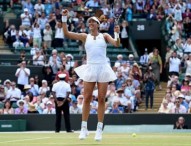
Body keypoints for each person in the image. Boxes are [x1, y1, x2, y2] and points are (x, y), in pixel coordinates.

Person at [62, 9, 120, 141]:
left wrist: (117, 33)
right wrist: (64, 18)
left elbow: (117, 44)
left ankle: (99, 129)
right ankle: (84, 128)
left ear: (98, 25)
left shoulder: (104, 36)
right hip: (91, 67)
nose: (91, 24)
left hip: (103, 68)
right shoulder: (84, 36)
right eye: (90, 22)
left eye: (93, 22)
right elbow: (66, 33)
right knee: (87, 97)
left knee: (101, 98)